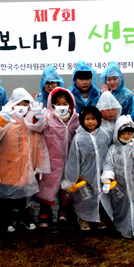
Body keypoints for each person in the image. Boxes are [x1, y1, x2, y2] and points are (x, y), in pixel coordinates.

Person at [0, 88, 49, 233]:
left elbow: (39, 144)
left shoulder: (31, 122)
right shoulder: (5, 118)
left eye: (26, 103)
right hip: (7, 166)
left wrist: (39, 165)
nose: (22, 106)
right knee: (6, 197)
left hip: (26, 167)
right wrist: (2, 120)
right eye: (19, 103)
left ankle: (23, 217)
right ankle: (7, 220)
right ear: (12, 104)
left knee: (24, 196)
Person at [62, 105, 111, 231]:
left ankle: (99, 217)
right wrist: (71, 179)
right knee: (85, 197)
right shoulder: (79, 138)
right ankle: (84, 218)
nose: (90, 122)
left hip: (101, 173)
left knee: (101, 197)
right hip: (85, 175)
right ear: (82, 121)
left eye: (93, 118)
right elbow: (73, 160)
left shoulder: (105, 134)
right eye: (87, 119)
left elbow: (110, 153)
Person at [36, 87, 79, 228]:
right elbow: (36, 128)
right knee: (47, 186)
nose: (62, 106)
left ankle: (64, 211)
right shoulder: (47, 118)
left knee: (67, 186)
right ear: (52, 104)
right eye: (58, 103)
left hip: (69, 160)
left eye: (65, 103)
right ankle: (45, 211)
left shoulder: (75, 119)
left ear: (71, 104)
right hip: (51, 160)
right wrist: (35, 117)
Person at [100, 116, 134, 238]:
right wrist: (107, 179)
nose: (127, 136)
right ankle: (124, 227)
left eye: (129, 133)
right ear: (118, 133)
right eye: (123, 133)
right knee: (122, 207)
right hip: (120, 186)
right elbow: (108, 164)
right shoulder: (113, 149)